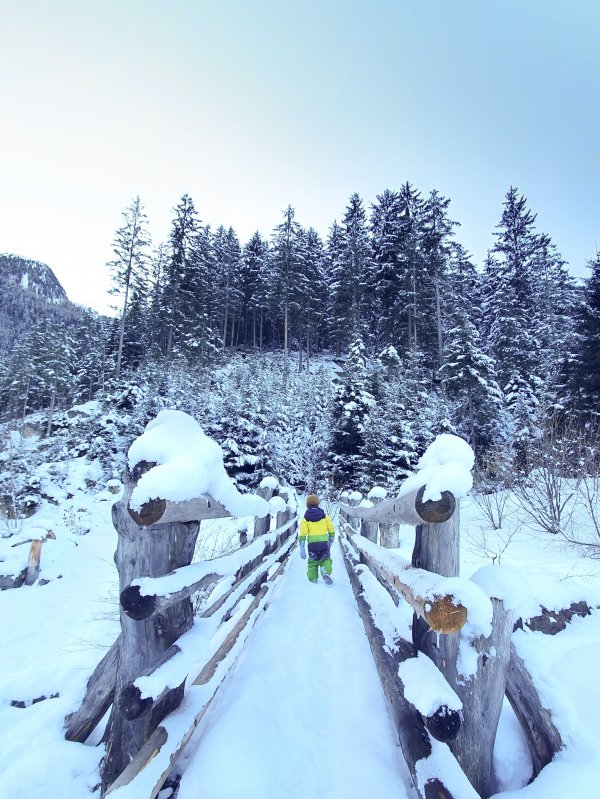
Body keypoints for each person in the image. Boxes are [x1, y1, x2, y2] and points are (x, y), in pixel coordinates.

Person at [298, 494, 335, 584]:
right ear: (318, 504)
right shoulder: (324, 516)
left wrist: (302, 548)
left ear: (307, 504)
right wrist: (331, 538)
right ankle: (326, 572)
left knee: (312, 562)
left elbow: (302, 533)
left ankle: (312, 579)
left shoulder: (305, 518)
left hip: (312, 544)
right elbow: (331, 527)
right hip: (324, 543)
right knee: (325, 559)